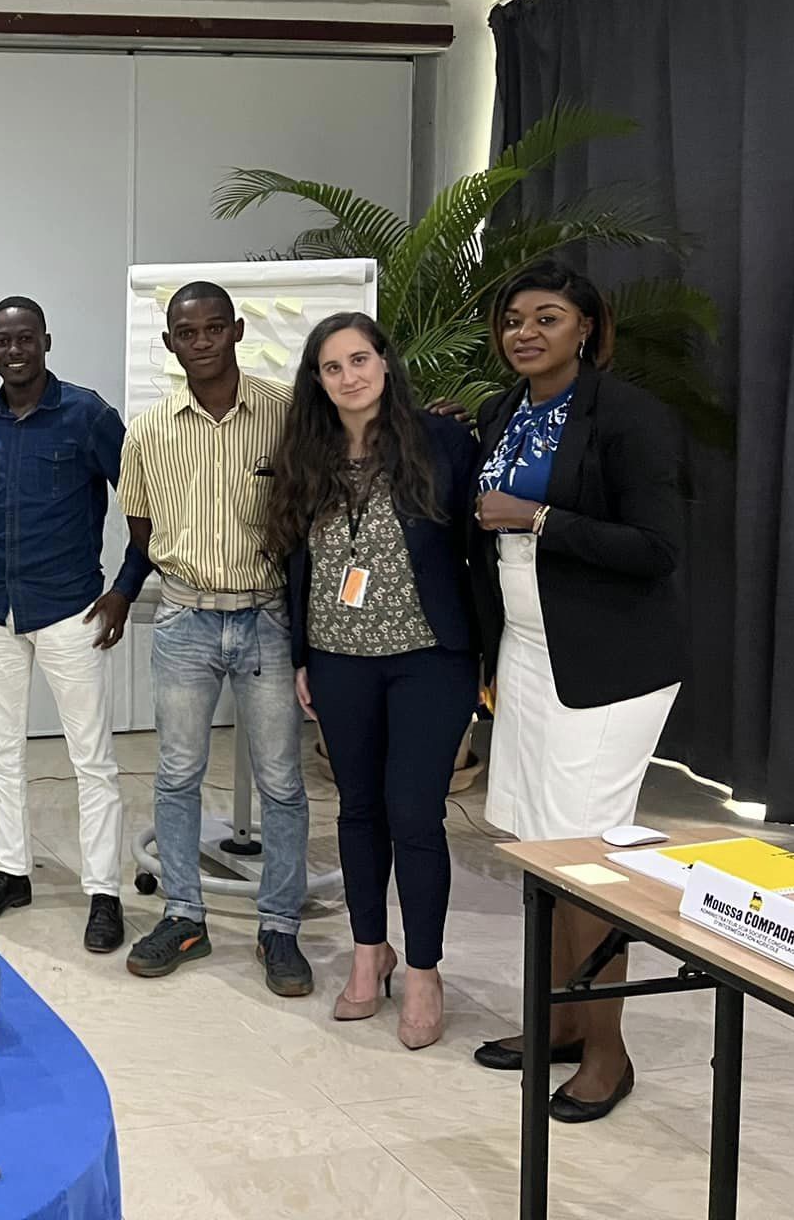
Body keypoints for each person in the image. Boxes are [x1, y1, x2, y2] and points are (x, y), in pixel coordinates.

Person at [468, 263, 685, 1122]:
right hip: (526, 652)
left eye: (547, 317)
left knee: (588, 857)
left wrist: (538, 519)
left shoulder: (629, 416)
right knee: (541, 846)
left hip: (607, 662)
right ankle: (558, 1022)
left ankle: (607, 1052)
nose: (524, 333)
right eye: (513, 319)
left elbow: (657, 547)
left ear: (587, 327)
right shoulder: (502, 412)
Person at [263, 313, 479, 1049]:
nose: (349, 376)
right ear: (317, 381)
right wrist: (301, 655)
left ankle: (423, 971)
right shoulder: (306, 455)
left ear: (385, 363)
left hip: (430, 658)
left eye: (360, 359)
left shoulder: (441, 442)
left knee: (413, 814)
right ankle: (368, 952)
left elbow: (476, 550)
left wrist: (489, 655)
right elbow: (295, 561)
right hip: (337, 659)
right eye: (333, 367)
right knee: (357, 811)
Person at [117, 281, 313, 997]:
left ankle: (279, 926)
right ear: (170, 343)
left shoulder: (286, 415)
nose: (200, 342)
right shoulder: (148, 431)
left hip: (267, 616)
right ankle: (183, 915)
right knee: (177, 774)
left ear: (236, 331)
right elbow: (141, 529)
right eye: (186, 332)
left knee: (281, 780)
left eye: (212, 328)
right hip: (185, 619)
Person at [0, 297, 150, 950]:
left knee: (90, 759)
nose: (14, 350)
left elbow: (144, 505)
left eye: (25, 338)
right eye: (2, 341)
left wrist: (124, 590)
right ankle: (12, 872)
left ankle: (103, 892)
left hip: (71, 611)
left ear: (46, 341)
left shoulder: (87, 415)